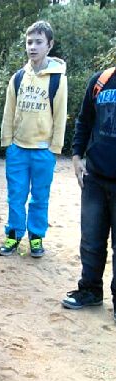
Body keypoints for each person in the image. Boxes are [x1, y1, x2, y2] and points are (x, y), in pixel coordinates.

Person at [0, 20, 67, 258]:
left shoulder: (58, 79)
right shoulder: (18, 77)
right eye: (29, 42)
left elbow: (60, 115)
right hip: (18, 149)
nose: (33, 47)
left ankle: (36, 238)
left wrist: (55, 148)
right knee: (15, 196)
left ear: (49, 45)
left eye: (38, 42)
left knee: (40, 197)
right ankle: (13, 235)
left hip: (43, 151)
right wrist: (7, 142)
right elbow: (9, 111)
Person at [61, 66, 116, 322]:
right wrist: (76, 156)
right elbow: (84, 120)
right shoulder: (101, 81)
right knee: (91, 241)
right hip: (95, 176)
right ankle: (90, 290)